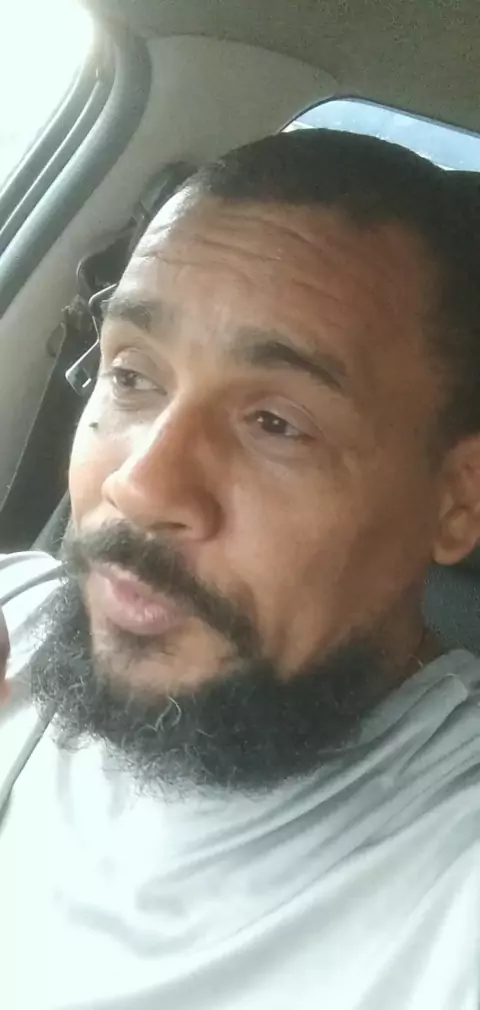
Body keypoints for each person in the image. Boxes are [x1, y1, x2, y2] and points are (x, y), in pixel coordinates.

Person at [1, 129, 480, 1010]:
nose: (140, 486)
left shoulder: (452, 880)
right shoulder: (20, 618)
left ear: (458, 502)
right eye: (132, 376)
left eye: (277, 424)